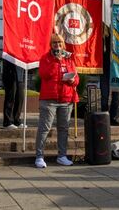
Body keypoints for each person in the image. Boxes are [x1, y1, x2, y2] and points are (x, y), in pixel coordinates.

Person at [34, 33, 79, 168]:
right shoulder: (45, 58)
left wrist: (72, 80)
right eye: (55, 43)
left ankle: (62, 156)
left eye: (59, 43)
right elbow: (45, 74)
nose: (57, 46)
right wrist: (56, 60)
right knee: (44, 128)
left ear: (63, 45)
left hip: (66, 99)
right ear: (50, 45)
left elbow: (77, 79)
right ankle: (39, 156)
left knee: (64, 129)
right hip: (49, 100)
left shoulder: (69, 59)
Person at [100, 27, 119, 125]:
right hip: (104, 69)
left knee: (116, 97)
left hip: (116, 70)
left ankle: (112, 117)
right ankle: (104, 117)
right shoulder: (102, 36)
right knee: (104, 96)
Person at [2, 59, 25, 129]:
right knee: (10, 98)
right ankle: (8, 122)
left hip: (20, 76)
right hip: (10, 75)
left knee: (20, 98)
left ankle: (16, 120)